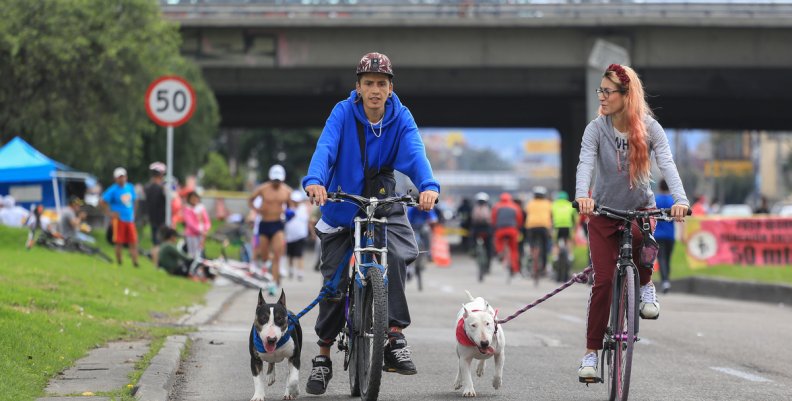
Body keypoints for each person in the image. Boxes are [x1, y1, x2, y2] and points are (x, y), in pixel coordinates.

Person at [302, 52, 440, 395]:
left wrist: (428, 186)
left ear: (390, 88)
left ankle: (393, 334)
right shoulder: (342, 112)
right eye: (368, 84)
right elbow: (326, 147)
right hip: (341, 204)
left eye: (381, 84)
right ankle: (322, 357)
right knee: (333, 283)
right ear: (358, 87)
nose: (375, 90)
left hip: (381, 203)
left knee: (394, 253)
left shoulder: (400, 117)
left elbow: (415, 152)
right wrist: (316, 180)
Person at [575, 63, 689, 381]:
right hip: (603, 215)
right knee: (603, 281)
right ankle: (590, 354)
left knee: (646, 249)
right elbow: (585, 163)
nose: (601, 96)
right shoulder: (595, 129)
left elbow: (666, 161)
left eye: (607, 92)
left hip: (640, 211)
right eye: (600, 90)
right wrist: (582, 195)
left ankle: (646, 284)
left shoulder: (650, 128)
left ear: (627, 96)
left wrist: (681, 200)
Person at [248, 165, 292, 288]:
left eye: (278, 180)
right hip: (264, 223)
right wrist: (256, 210)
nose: (276, 183)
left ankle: (274, 281)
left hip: (277, 224)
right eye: (274, 180)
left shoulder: (286, 191)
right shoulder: (263, 189)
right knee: (264, 255)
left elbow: (291, 205)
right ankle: (270, 265)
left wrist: (289, 213)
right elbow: (250, 199)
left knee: (277, 254)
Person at [101, 167, 140, 267]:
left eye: (123, 177)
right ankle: (119, 262)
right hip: (119, 219)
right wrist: (109, 213)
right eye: (119, 177)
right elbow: (103, 201)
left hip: (129, 219)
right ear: (116, 179)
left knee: (134, 241)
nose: (122, 179)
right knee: (119, 241)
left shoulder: (130, 187)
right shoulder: (113, 190)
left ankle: (135, 262)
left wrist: (134, 213)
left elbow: (135, 200)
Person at [491, 192, 523, 278]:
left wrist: (495, 226)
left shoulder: (497, 206)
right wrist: (518, 227)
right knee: (514, 250)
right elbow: (519, 219)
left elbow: (493, 218)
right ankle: (515, 268)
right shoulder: (515, 206)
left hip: (500, 230)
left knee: (498, 241)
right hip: (512, 230)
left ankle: (500, 251)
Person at [524, 186, 553, 276]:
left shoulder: (530, 203)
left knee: (531, 243)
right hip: (544, 227)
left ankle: (532, 257)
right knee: (544, 247)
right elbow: (551, 215)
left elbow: (526, 213)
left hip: (531, 226)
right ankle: (543, 268)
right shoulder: (548, 203)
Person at [654, 180, 675, 294]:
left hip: (658, 234)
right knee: (667, 258)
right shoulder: (673, 201)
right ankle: (667, 280)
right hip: (670, 234)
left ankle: (665, 281)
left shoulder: (656, 200)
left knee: (661, 258)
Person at [144, 162, 167, 267]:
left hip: (152, 218)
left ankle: (155, 263)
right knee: (160, 242)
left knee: (155, 242)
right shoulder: (161, 188)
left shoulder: (147, 187)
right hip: (161, 219)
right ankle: (158, 264)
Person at [284, 189, 310, 281]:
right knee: (290, 255)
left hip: (300, 235)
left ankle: (300, 272)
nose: (296, 202)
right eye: (294, 200)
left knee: (300, 254)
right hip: (289, 236)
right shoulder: (287, 209)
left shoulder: (303, 208)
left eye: (297, 200)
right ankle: (291, 270)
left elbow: (308, 219)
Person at [551, 190, 576, 281]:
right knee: (569, 240)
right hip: (567, 227)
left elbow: (551, 216)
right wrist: (574, 228)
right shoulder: (570, 204)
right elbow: (575, 218)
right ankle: (570, 255)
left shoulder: (554, 204)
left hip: (557, 227)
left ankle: (555, 257)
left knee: (555, 242)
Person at [183, 191, 211, 263]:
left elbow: (207, 221)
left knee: (200, 251)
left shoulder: (201, 208)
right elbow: (190, 223)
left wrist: (205, 229)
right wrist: (200, 230)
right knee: (192, 253)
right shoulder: (187, 209)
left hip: (202, 234)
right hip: (192, 234)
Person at [469, 192, 493, 270]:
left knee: (473, 239)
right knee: (488, 246)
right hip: (486, 229)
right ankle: (488, 261)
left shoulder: (474, 207)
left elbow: (470, 219)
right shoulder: (489, 207)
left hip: (478, 228)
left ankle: (473, 251)